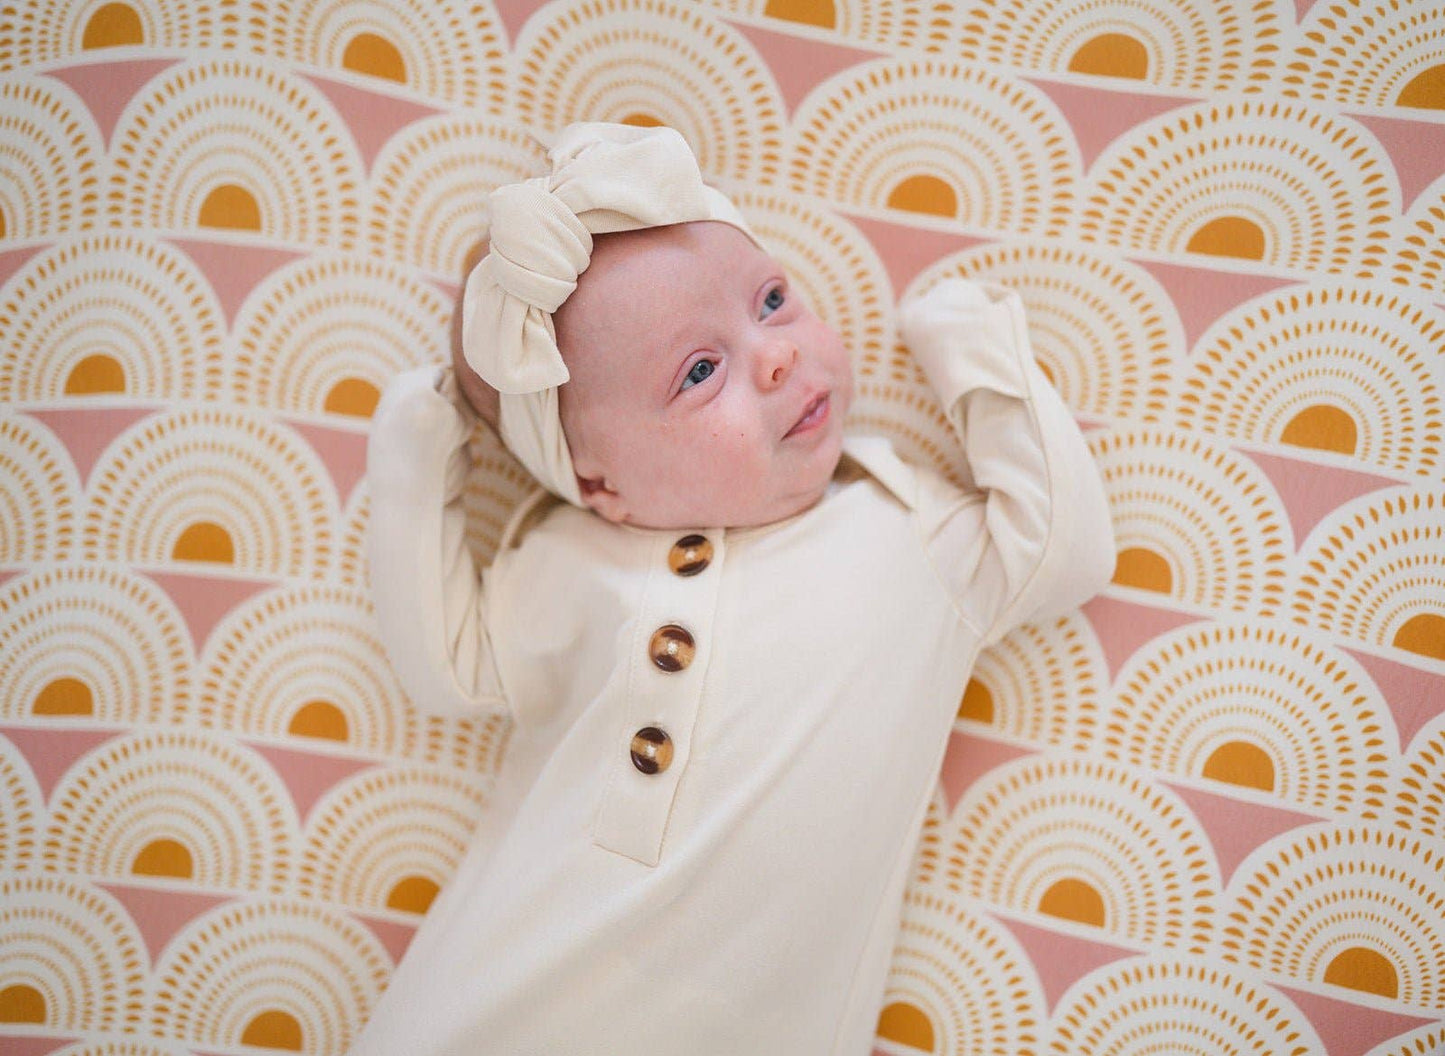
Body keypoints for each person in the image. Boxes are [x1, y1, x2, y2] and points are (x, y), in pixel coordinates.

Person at [355, 122, 1115, 1056]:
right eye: (700, 371)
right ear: (602, 486)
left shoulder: (903, 526)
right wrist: (416, 454)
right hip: (491, 999)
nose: (776, 354)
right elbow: (448, 671)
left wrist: (970, 350)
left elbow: (1065, 550)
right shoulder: (565, 558)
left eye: (771, 299)